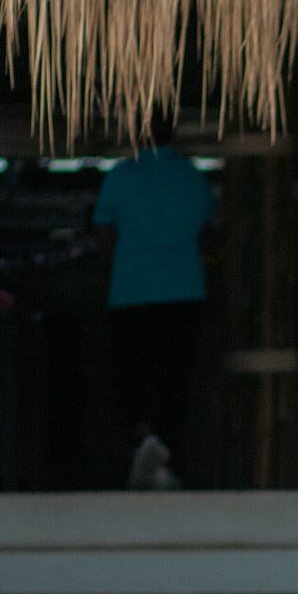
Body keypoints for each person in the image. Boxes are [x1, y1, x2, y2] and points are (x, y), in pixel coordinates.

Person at [93, 113, 215, 487]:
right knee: (174, 377)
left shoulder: (120, 177)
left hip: (132, 293)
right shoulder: (192, 176)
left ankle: (143, 441)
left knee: (132, 376)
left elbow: (104, 238)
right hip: (184, 291)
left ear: (136, 132)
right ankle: (165, 453)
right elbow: (207, 232)